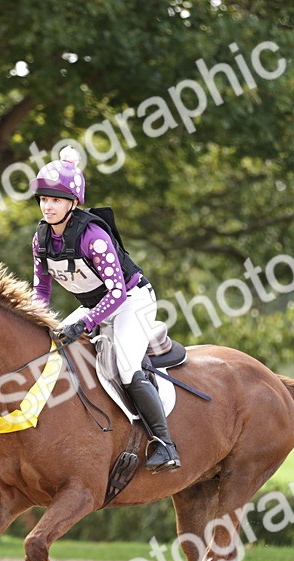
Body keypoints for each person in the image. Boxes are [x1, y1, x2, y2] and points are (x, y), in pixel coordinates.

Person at [30, 146, 181, 473]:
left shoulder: (94, 237)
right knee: (50, 350)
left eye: (56, 200)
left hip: (131, 300)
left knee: (126, 366)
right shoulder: (40, 239)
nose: (48, 206)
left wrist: (85, 324)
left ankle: (165, 444)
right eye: (43, 199)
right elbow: (41, 289)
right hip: (96, 305)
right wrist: (34, 322)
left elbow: (116, 292)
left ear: (73, 202)